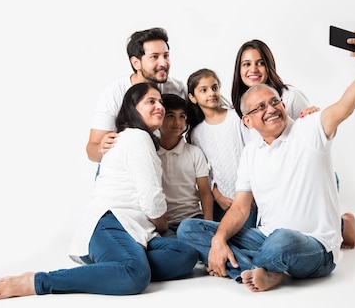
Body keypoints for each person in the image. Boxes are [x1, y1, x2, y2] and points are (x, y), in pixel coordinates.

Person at [177, 29, 355, 292]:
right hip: (266, 237)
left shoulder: (309, 129)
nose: (271, 109)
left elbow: (344, 106)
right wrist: (218, 240)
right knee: (189, 230)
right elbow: (240, 209)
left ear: (284, 104)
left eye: (274, 102)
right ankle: (266, 269)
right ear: (247, 121)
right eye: (260, 107)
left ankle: (260, 266)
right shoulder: (251, 151)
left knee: (283, 239)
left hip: (313, 245)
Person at [0, 83, 199, 300]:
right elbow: (151, 198)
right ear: (132, 108)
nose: (159, 107)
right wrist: (162, 224)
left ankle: (115, 266)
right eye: (150, 102)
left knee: (184, 255)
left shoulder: (140, 139)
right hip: (110, 222)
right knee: (135, 275)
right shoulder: (136, 137)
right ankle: (38, 281)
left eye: (160, 102)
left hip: (136, 229)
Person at [230, 38, 355, 248]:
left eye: (260, 63)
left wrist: (312, 112)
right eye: (247, 64)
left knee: (304, 225)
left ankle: (342, 224)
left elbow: (313, 131)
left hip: (306, 177)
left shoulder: (288, 96)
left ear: (269, 66)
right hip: (274, 183)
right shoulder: (240, 107)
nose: (254, 69)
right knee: (246, 233)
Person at [86, 27, 187, 164]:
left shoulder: (176, 88)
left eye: (166, 56)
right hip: (125, 166)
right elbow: (92, 151)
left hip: (162, 164)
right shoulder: (114, 92)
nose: (163, 63)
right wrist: (100, 149)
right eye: (154, 57)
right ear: (136, 62)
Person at [184, 68, 257, 229]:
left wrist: (248, 193)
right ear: (193, 97)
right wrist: (218, 197)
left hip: (247, 198)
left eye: (214, 87)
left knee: (248, 241)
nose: (211, 93)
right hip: (221, 202)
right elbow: (205, 172)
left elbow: (253, 152)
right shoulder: (197, 133)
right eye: (204, 90)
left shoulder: (237, 117)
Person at [158, 93, 213, 238]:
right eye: (170, 116)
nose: (178, 122)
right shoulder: (150, 152)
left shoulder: (194, 152)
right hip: (163, 224)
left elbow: (205, 193)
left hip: (192, 219)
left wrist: (209, 225)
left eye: (182, 116)